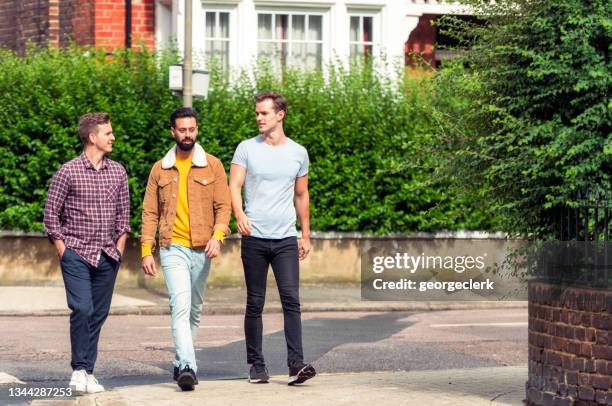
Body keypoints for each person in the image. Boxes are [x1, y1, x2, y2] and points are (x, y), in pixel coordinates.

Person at [140, 107, 231, 391]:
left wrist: (218, 236)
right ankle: (188, 367)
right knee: (180, 305)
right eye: (182, 130)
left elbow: (223, 206)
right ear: (173, 131)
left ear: (196, 130)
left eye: (192, 129)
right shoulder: (161, 168)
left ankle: (181, 361)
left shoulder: (212, 165)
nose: (188, 134)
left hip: (203, 248)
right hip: (172, 247)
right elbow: (149, 212)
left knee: (194, 309)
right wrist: (146, 249)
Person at [229, 91, 316, 385]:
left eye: (263, 113)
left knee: (291, 300)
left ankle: (296, 365)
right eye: (256, 113)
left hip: (284, 240)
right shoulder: (246, 149)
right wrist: (239, 214)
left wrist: (305, 234)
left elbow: (301, 195)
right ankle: (256, 365)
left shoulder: (298, 153)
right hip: (254, 238)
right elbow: (234, 185)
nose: (258, 118)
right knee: (255, 302)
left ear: (280, 115)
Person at [43, 112, 130, 394]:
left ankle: (87, 371)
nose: (113, 137)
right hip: (77, 253)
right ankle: (79, 369)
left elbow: (124, 216)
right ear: (93, 137)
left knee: (98, 314)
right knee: (82, 308)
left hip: (107, 255)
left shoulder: (118, 171)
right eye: (108, 133)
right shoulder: (67, 171)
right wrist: (62, 249)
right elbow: (50, 215)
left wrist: (118, 249)